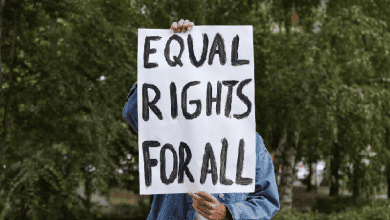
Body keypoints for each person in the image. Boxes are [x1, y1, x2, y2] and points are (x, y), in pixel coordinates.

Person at [122, 19, 280, 220]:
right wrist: (167, 53)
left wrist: (228, 213)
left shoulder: (249, 141)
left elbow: (268, 200)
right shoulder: (173, 130)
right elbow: (133, 110)